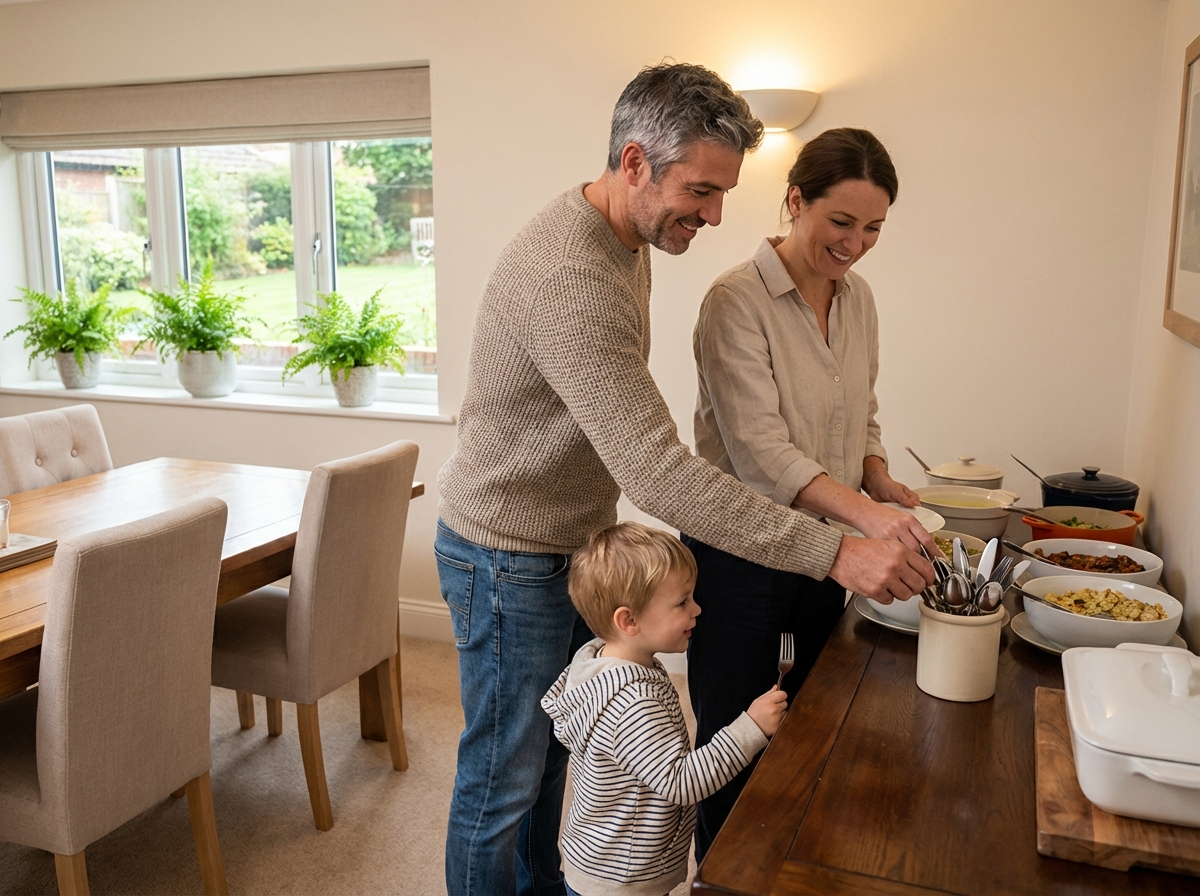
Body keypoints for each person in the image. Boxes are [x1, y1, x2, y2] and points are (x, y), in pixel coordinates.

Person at [435, 64, 934, 896]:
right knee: (502, 786)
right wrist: (835, 553)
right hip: (504, 554)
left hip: (569, 546)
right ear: (635, 162)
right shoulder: (574, 276)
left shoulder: (622, 238)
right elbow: (660, 472)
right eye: (700, 191)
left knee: (557, 762)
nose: (713, 215)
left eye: (723, 192)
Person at [684, 127, 931, 860]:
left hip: (832, 545)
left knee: (822, 715)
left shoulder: (859, 301)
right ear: (796, 201)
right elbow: (761, 452)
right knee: (736, 731)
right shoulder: (734, 301)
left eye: (874, 229)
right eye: (842, 222)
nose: (856, 244)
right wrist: (867, 513)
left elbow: (860, 408)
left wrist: (877, 471)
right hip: (743, 549)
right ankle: (721, 870)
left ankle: (794, 863)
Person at [541, 522, 787, 896]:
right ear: (629, 620)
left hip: (601, 858)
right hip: (621, 877)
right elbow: (680, 781)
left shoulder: (601, 664)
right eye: (682, 602)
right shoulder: (631, 703)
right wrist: (750, 728)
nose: (698, 609)